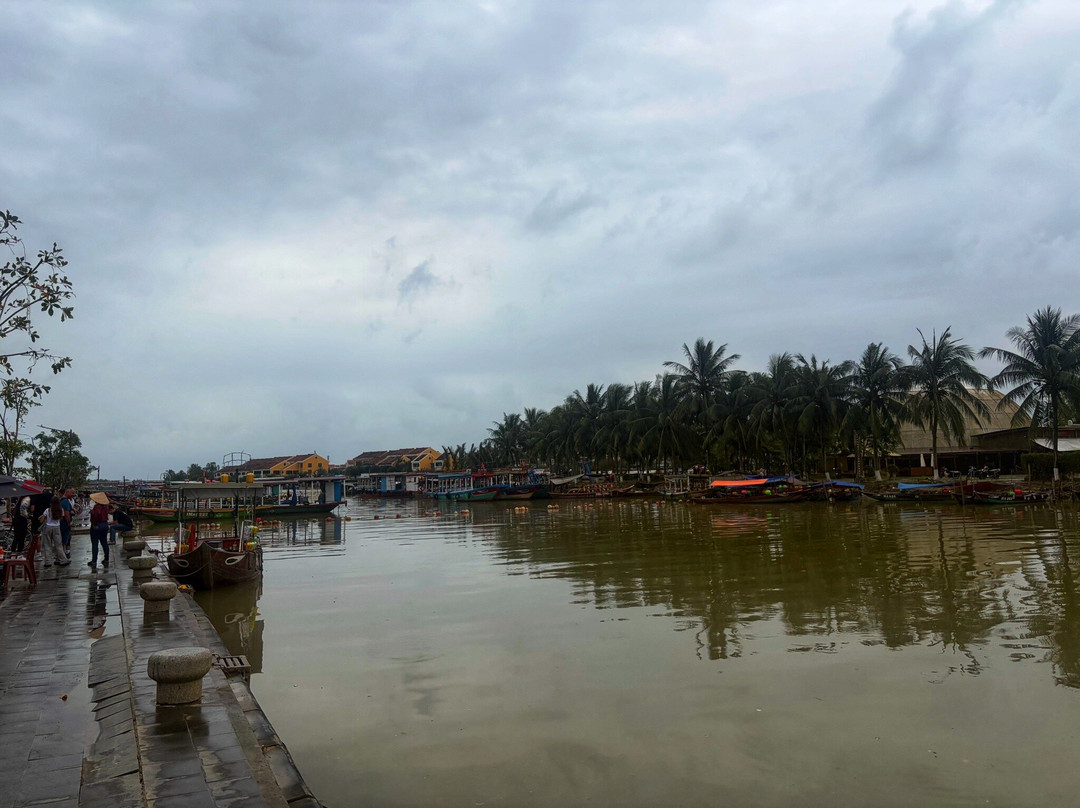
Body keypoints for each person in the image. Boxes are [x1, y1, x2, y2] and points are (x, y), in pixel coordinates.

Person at [39, 495, 69, 568]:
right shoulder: (61, 510)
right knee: (58, 545)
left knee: (47, 544)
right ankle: (63, 560)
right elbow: (61, 518)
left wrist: (44, 518)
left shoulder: (47, 510)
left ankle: (48, 561)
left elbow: (41, 520)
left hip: (48, 527)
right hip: (57, 527)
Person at [88, 492, 111, 569]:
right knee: (104, 543)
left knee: (95, 544)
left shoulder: (96, 507)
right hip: (105, 525)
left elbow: (96, 516)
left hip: (97, 525)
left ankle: (94, 561)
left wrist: (92, 515)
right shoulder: (106, 507)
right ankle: (106, 559)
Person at [60, 488, 78, 559]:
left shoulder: (65, 501)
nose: (73, 495)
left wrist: (73, 509)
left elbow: (70, 508)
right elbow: (66, 513)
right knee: (65, 538)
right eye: (72, 493)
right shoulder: (65, 501)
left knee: (67, 538)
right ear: (67, 492)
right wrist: (68, 522)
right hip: (64, 523)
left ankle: (66, 552)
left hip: (63, 522)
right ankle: (63, 555)